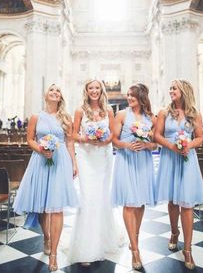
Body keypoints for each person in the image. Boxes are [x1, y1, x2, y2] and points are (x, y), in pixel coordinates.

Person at [13, 84, 78, 271]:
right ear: (45, 95)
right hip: (40, 161)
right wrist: (41, 149)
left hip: (61, 162)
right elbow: (30, 139)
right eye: (52, 90)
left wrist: (74, 163)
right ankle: (47, 237)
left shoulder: (65, 118)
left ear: (61, 97)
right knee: (43, 206)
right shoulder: (36, 117)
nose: (55, 92)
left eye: (58, 91)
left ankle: (55, 254)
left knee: (57, 207)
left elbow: (70, 142)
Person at [154, 79, 203, 270]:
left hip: (187, 159)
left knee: (187, 203)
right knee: (173, 201)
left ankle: (188, 249)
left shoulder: (195, 114)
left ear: (184, 91)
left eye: (174, 88)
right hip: (170, 157)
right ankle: (174, 232)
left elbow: (199, 137)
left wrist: (187, 145)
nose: (171, 91)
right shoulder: (164, 113)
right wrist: (172, 146)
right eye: (170, 88)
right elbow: (156, 135)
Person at [69, 78, 119, 266]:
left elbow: (113, 134)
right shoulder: (80, 111)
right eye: (91, 88)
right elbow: (73, 134)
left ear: (101, 90)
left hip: (104, 156)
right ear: (86, 90)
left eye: (97, 88)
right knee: (88, 197)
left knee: (101, 197)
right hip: (86, 156)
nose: (94, 91)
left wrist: (105, 141)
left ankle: (103, 239)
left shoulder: (109, 111)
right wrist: (87, 138)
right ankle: (86, 247)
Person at [112, 83, 157, 270]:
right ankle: (135, 251)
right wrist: (127, 145)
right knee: (129, 203)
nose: (129, 98)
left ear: (142, 97)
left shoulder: (151, 118)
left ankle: (135, 237)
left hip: (144, 162)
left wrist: (147, 145)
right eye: (128, 95)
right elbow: (114, 141)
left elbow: (155, 143)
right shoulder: (121, 115)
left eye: (133, 95)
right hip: (126, 160)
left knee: (140, 203)